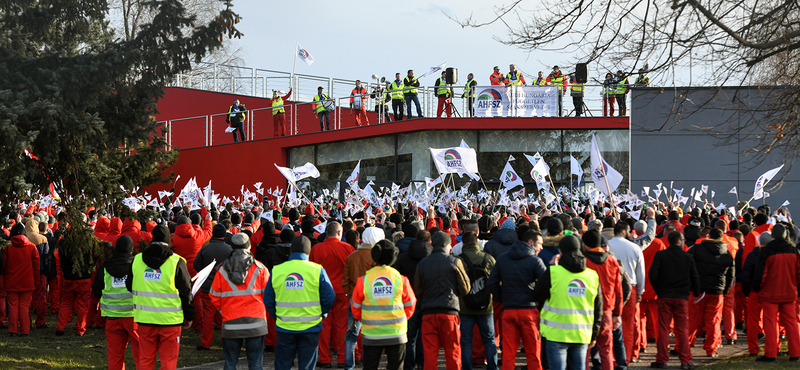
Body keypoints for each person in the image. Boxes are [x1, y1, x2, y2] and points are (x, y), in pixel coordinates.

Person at [126, 225, 194, 370]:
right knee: (168, 361)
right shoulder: (177, 262)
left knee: (145, 360)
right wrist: (189, 315)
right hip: (170, 321)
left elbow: (129, 285)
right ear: (169, 240)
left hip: (145, 320)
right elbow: (186, 291)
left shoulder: (137, 260)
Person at [264, 235, 336, 370]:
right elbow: (329, 297)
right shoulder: (317, 270)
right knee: (307, 366)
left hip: (285, 327)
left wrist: (278, 315)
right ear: (308, 252)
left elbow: (268, 300)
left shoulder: (278, 270)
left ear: (291, 251)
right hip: (311, 326)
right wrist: (322, 314)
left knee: (282, 365)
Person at [535, 235, 603, 370]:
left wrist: (550, 267)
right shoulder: (592, 276)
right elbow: (598, 308)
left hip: (555, 333)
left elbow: (539, 294)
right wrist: (594, 335)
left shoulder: (553, 272)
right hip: (581, 333)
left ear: (560, 252)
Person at [350, 240, 416, 370]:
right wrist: (401, 319)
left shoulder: (363, 281)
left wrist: (365, 319)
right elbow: (411, 303)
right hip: (397, 332)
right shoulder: (401, 279)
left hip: (371, 333)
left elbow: (356, 307)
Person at [487, 229, 547, 370]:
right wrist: (536, 298)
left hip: (509, 310)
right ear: (531, 242)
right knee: (533, 353)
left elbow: (492, 283)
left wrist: (503, 298)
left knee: (508, 353)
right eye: (540, 244)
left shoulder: (503, 259)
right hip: (530, 311)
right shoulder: (535, 261)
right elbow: (545, 284)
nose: (541, 247)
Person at [210, 233, 270, 370]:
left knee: (230, 364)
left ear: (232, 247)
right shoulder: (260, 269)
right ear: (249, 246)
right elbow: (269, 296)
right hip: (256, 323)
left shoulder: (222, 270)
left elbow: (214, 296)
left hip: (231, 324)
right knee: (255, 364)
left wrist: (224, 311)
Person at [414, 231, 471, 370]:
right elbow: (465, 288)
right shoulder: (455, 261)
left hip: (428, 312)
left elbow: (418, 290)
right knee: (453, 352)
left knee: (430, 354)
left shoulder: (423, 263)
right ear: (446, 245)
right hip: (449, 312)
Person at [648, 231, 700, 370]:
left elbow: (653, 274)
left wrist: (659, 289)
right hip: (681, 296)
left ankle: (662, 359)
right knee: (682, 329)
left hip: (664, 295)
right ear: (678, 241)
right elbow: (694, 276)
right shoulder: (687, 257)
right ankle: (685, 360)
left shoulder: (661, 255)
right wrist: (695, 291)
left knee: (663, 329)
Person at [749, 224, 800, 363]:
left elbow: (761, 274)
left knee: (771, 324)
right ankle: (795, 353)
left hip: (770, 293)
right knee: (792, 323)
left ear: (772, 236)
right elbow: (798, 272)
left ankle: (771, 354)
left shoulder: (766, 252)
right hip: (789, 292)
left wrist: (757, 288)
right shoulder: (794, 250)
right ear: (785, 235)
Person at [309, 222, 355, 367]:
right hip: (342, 292)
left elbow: (311, 273)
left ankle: (325, 358)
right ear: (340, 232)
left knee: (324, 325)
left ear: (326, 232)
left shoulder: (316, 249)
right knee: (342, 325)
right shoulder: (348, 248)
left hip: (322, 293)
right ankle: (342, 358)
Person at [92, 235, 140, 370]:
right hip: (134, 316)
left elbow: (96, 290)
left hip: (112, 317)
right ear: (131, 249)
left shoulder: (105, 266)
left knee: (115, 356)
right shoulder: (137, 265)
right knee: (142, 354)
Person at [687, 228, 734, 357]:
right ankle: (711, 349)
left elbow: (687, 265)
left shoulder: (696, 249)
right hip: (717, 291)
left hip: (698, 289)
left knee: (692, 319)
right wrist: (724, 290)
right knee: (713, 321)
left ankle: (685, 345)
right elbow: (730, 275)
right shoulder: (727, 254)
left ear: (708, 236)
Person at [581, 229, 623, 370]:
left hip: (585, 311)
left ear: (585, 245)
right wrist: (617, 313)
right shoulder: (611, 260)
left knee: (584, 351)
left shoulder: (583, 261)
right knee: (606, 350)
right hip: (606, 311)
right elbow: (618, 289)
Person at [342, 227, 383, 370]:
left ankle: (349, 366)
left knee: (351, 335)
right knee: (370, 335)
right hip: (371, 301)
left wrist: (352, 294)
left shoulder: (351, 256)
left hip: (354, 299)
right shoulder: (376, 258)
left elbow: (345, 281)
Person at [458, 231, 498, 370]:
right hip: (486, 306)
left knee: (466, 341)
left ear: (463, 243)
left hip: (465, 306)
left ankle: (467, 367)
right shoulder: (489, 259)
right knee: (489, 340)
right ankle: (493, 366)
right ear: (477, 242)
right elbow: (497, 281)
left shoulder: (459, 260)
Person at [607, 221, 645, 363]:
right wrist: (640, 291)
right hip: (631, 287)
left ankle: (610, 358)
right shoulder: (635, 248)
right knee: (628, 326)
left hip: (610, 287)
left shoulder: (607, 245)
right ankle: (625, 359)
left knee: (609, 324)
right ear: (624, 231)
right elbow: (640, 273)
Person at [193, 224, 233, 351]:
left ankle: (206, 343)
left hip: (207, 286)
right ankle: (225, 340)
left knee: (208, 315)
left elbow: (196, 265)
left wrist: (206, 273)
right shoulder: (229, 249)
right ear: (224, 235)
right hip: (223, 287)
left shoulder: (205, 249)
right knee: (223, 314)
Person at [3, 223, 39, 337]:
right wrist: (36, 281)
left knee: (13, 307)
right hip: (27, 281)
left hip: (11, 281)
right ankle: (25, 330)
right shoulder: (31, 246)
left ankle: (13, 330)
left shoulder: (7, 247)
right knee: (24, 307)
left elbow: (3, 264)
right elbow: (36, 266)